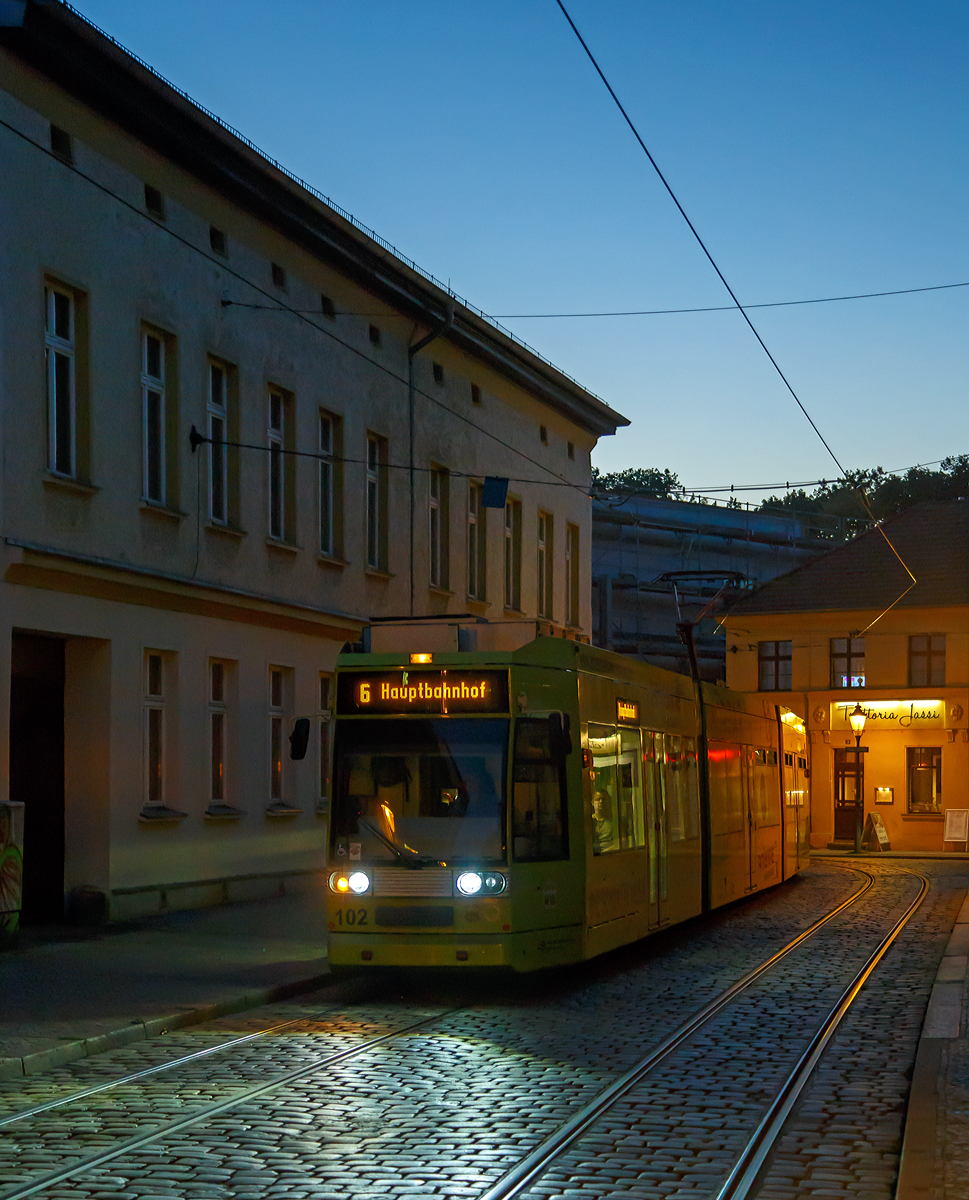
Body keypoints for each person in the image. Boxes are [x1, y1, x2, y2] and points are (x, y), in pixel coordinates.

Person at [592, 790, 615, 854]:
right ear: (592, 802)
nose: (601, 802)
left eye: (604, 799)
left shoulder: (614, 821)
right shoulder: (589, 821)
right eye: (598, 799)